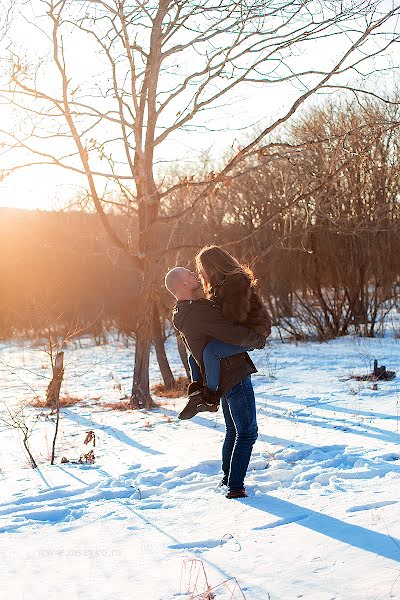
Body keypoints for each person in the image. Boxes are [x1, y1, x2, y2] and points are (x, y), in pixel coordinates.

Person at [165, 253, 270, 499]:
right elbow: (229, 332)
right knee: (247, 432)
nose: (195, 275)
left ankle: (227, 478)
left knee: (233, 431)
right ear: (182, 284)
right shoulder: (199, 313)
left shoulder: (183, 311)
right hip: (232, 374)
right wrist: (257, 340)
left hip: (220, 374)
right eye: (189, 275)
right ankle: (235, 487)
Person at [187, 246, 271, 407]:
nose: (200, 273)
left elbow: (235, 317)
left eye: (202, 268)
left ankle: (210, 397)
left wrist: (210, 319)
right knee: (194, 353)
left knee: (211, 351)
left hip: (252, 333)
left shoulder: (235, 283)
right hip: (238, 332)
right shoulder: (217, 285)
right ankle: (197, 391)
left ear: (213, 266)